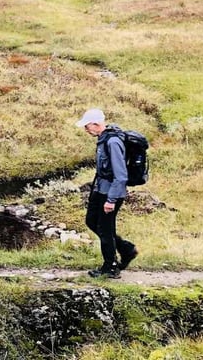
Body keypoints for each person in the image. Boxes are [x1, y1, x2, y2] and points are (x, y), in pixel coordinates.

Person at [76, 108, 138, 279]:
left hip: (110, 193)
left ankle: (110, 267)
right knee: (92, 221)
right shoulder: (103, 139)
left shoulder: (112, 143)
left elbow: (121, 175)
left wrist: (111, 199)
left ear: (96, 124)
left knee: (105, 229)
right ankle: (126, 249)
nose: (86, 129)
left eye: (87, 126)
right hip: (100, 189)